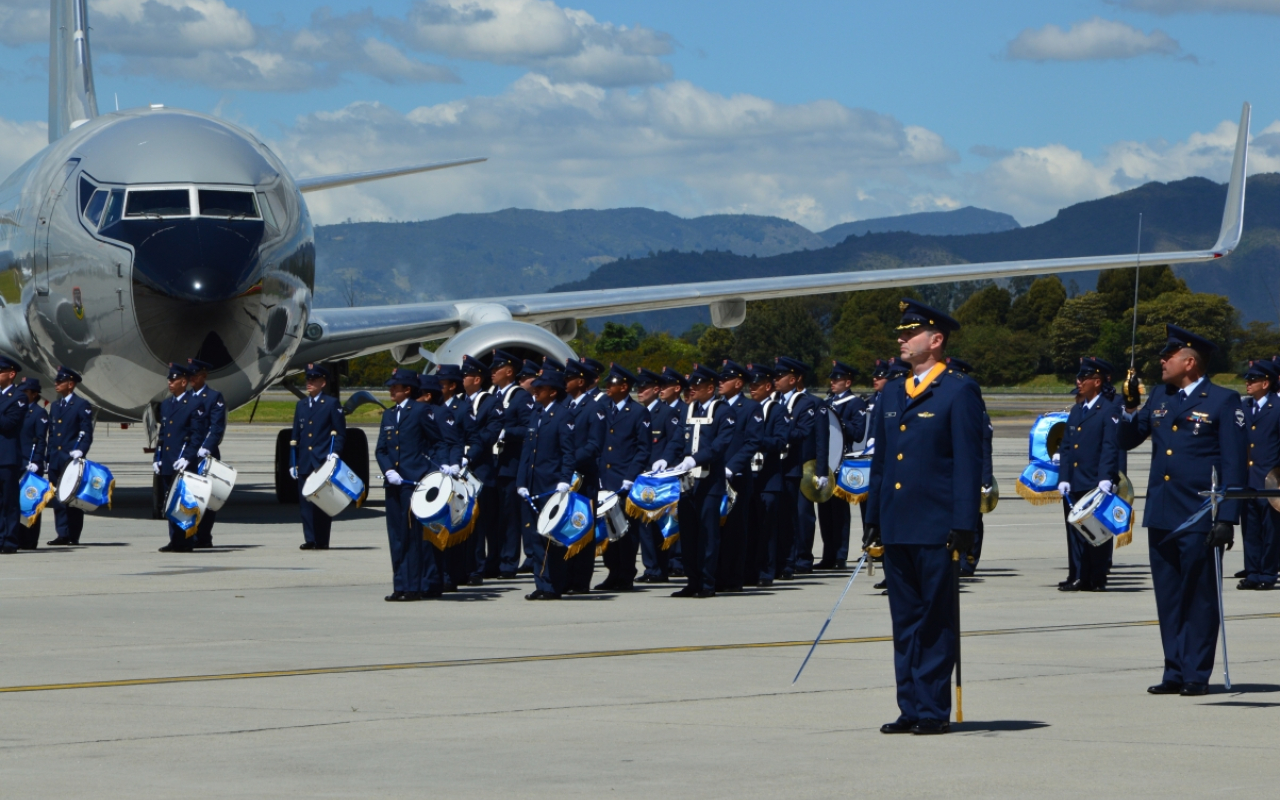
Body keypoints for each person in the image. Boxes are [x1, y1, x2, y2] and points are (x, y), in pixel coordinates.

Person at [864, 300, 983, 735]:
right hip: (897, 523)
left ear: (935, 341)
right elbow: (881, 463)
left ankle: (933, 710)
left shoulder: (958, 390)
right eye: (900, 332)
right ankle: (910, 706)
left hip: (936, 525)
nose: (900, 338)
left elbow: (968, 463)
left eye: (909, 332)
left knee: (935, 621)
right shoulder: (894, 391)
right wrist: (873, 516)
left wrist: (964, 523)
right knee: (905, 621)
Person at [1118, 324, 1247, 696]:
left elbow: (1233, 464)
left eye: (1169, 355)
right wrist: (1127, 407)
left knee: (1200, 596)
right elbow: (1129, 438)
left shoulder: (1222, 400)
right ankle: (1174, 668)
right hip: (1161, 512)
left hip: (1198, 514)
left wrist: (1226, 517)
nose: (1161, 360)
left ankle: (1195, 672)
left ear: (1189, 362)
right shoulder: (1160, 395)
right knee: (1169, 596)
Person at [375, 368, 462, 601]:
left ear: (408, 389)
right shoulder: (389, 415)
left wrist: (439, 468)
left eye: (396, 386)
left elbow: (438, 443)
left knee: (414, 536)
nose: (392, 390)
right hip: (395, 483)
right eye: (391, 387)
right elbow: (381, 449)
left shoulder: (421, 411)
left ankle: (414, 587)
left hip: (415, 482)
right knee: (397, 536)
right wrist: (388, 470)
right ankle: (400, 584)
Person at [1055, 357, 1121, 591]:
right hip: (1074, 481)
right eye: (1079, 377)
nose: (1079, 382)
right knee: (1074, 532)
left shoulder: (1109, 409)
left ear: (1097, 381)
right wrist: (1063, 477)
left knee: (1096, 533)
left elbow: (1109, 446)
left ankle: (1096, 577)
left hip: (1095, 480)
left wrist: (1105, 476)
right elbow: (1066, 447)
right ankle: (1077, 573)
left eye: (1084, 378)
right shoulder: (1077, 410)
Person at [671, 364, 734, 598]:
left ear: (710, 387)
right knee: (688, 534)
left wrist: (694, 460)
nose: (692, 389)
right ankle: (692, 580)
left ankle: (708, 582)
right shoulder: (688, 410)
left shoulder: (723, 411)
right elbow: (677, 440)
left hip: (709, 482)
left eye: (697, 385)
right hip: (688, 483)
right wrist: (665, 460)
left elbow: (719, 445)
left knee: (708, 534)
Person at [516, 368, 576, 600]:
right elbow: (527, 452)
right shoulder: (537, 414)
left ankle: (554, 584)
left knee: (551, 538)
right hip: (532, 485)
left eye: (540, 389)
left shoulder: (563, 415)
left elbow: (567, 453)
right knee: (535, 537)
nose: (535, 391)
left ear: (552, 391)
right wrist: (521, 481)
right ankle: (541, 583)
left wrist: (564, 480)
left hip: (551, 484)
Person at [595, 364, 652, 591]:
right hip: (605, 478)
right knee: (608, 530)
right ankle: (612, 572)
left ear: (624, 387)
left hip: (624, 478)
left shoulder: (638, 412)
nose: (607, 387)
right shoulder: (603, 409)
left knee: (626, 530)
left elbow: (642, 449)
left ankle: (626, 573)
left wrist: (630, 476)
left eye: (612, 384)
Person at [774, 357, 830, 578]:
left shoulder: (812, 403)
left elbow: (821, 439)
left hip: (803, 466)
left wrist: (822, 470)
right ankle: (785, 556)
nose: (776, 380)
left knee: (802, 514)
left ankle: (803, 558)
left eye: (781, 376)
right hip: (780, 466)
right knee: (782, 514)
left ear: (795, 378)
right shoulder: (775, 402)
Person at [715, 360, 761, 592]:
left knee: (734, 530)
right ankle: (716, 574)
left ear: (739, 383)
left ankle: (733, 578)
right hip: (714, 477)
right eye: (720, 379)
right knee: (716, 530)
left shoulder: (750, 407)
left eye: (725, 379)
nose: (720, 383)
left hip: (737, 478)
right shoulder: (717, 406)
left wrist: (731, 467)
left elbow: (751, 443)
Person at [946, 357, 994, 577]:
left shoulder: (975, 408)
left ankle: (970, 560)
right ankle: (956, 557)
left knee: (973, 519)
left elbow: (983, 448)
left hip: (973, 474)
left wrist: (985, 479)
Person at [490, 350, 535, 579]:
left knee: (509, 517)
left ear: (509, 372)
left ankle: (508, 562)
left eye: (496, 369)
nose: (492, 373)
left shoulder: (520, 397)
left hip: (510, 464)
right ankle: (493, 560)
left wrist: (506, 432)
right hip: (492, 465)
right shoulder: (491, 396)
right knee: (492, 517)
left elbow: (530, 430)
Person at [291, 364, 346, 551]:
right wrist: (293, 462)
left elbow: (339, 432)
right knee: (305, 502)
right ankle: (310, 538)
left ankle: (322, 539)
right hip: (305, 460)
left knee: (321, 503)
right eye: (308, 379)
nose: (309, 383)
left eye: (313, 380)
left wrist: (335, 452)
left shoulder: (331, 404)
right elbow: (296, 436)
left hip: (322, 459)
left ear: (323, 383)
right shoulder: (301, 405)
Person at [818, 360, 867, 569]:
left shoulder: (855, 403)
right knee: (824, 511)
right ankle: (828, 554)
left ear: (848, 382)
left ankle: (840, 555)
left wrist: (839, 420)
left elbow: (857, 434)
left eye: (837, 379)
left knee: (839, 512)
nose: (832, 382)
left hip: (842, 462)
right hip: (826, 462)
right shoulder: (828, 402)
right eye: (832, 379)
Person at [154, 363, 207, 553]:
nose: (170, 382)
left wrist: (187, 457)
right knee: (171, 502)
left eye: (173, 379)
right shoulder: (167, 404)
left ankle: (186, 540)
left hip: (184, 462)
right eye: (169, 379)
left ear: (183, 382)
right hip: (169, 460)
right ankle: (175, 540)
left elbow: (196, 435)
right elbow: (163, 435)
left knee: (184, 502)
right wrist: (157, 457)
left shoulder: (194, 404)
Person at [636, 368, 683, 583]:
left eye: (644, 387)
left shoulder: (667, 413)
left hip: (660, 479)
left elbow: (675, 445)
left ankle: (660, 568)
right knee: (645, 527)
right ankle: (651, 567)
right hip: (643, 477)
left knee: (658, 527)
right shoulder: (641, 412)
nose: (640, 391)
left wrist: (666, 470)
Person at [563, 358, 605, 593]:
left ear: (580, 381)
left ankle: (579, 581)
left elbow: (593, 445)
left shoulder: (593, 408)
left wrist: (570, 460)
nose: (564, 382)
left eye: (568, 378)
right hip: (564, 477)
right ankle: (565, 576)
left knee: (581, 527)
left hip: (583, 478)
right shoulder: (566, 406)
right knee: (564, 527)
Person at [1238, 359, 1280, 590]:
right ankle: (1253, 572)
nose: (1248, 383)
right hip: (1249, 478)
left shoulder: (1277, 407)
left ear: (1266, 382)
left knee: (1271, 530)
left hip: (1271, 479)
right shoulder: (1244, 407)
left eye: (1253, 379)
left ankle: (1267, 573)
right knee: (1251, 529)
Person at [460, 355, 501, 584]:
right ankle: (464, 565)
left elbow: (491, 432)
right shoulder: (460, 401)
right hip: (461, 467)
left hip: (481, 467)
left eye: (466, 375)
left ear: (477, 379)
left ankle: (480, 567)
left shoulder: (489, 402)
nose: (462, 378)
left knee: (481, 522)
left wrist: (470, 449)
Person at [746, 363, 789, 586]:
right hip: (748, 477)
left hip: (768, 478)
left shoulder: (777, 410)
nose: (753, 388)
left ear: (769, 386)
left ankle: (766, 571)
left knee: (767, 529)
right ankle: (748, 569)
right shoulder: (745, 408)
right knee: (749, 527)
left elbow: (781, 440)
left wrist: (756, 441)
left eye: (758, 384)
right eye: (751, 384)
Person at [44, 366, 95, 547]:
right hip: (57, 459)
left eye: (60, 381)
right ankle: (62, 533)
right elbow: (52, 435)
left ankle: (73, 534)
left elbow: (86, 432)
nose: (56, 384)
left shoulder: (81, 405)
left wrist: (81, 450)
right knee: (58, 499)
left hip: (71, 459)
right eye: (56, 381)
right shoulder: (56, 406)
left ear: (70, 384)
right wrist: (48, 457)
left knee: (72, 499)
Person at [187, 358, 226, 549]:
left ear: (204, 376)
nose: (191, 379)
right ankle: (189, 534)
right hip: (187, 456)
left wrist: (206, 447)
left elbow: (216, 428)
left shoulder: (213, 397)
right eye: (189, 376)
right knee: (189, 497)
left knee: (207, 499)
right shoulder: (185, 398)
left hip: (206, 455)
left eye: (195, 375)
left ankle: (204, 535)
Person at [16, 377, 47, 550]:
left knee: (30, 503)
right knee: (14, 503)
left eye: (25, 392)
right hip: (16, 462)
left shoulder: (38, 413)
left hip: (31, 463)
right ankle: (17, 537)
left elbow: (41, 440)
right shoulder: (17, 411)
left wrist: (37, 461)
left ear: (34, 394)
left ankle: (30, 540)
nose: (21, 395)